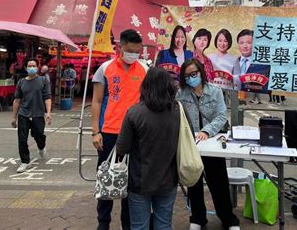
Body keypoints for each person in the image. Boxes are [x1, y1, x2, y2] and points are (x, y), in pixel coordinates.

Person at [91, 29, 148, 230]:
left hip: (137, 134)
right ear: (120, 47)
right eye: (130, 50)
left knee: (131, 183)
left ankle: (128, 223)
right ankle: (103, 223)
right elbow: (97, 101)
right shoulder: (105, 69)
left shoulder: (144, 70)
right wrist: (95, 131)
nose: (134, 54)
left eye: (137, 51)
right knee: (106, 178)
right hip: (109, 132)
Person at [177, 58, 240, 230]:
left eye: (194, 74)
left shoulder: (215, 91)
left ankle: (228, 218)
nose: (191, 78)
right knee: (193, 181)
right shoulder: (181, 93)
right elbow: (178, 115)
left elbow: (221, 116)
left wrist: (206, 131)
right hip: (191, 145)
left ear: (201, 72)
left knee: (218, 182)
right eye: (187, 75)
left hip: (212, 144)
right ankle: (197, 218)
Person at [116, 67, 181, 230]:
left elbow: (122, 148)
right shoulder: (178, 111)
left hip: (139, 181)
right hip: (169, 179)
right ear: (169, 86)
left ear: (145, 86)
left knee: (139, 226)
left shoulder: (134, 112)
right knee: (164, 225)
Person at [11, 59, 52, 173]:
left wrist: (48, 112)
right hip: (23, 113)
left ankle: (41, 147)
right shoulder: (21, 82)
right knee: (22, 139)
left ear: (37, 67)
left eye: (34, 66)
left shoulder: (43, 80)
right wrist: (14, 117)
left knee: (38, 134)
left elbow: (47, 97)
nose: (31, 68)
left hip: (38, 113)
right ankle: (25, 161)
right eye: (29, 66)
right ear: (26, 68)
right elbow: (17, 100)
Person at [232, 29, 270, 93]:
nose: (245, 46)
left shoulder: (264, 65)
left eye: (249, 43)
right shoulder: (233, 62)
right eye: (241, 43)